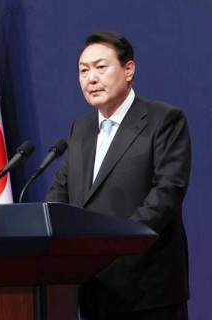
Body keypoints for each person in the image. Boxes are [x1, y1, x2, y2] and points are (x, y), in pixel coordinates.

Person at [45, 30, 191, 320]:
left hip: (147, 291)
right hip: (92, 289)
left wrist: (113, 245)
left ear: (128, 70)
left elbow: (166, 193)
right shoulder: (80, 129)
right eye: (83, 71)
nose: (91, 78)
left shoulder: (164, 120)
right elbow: (59, 197)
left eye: (100, 67)